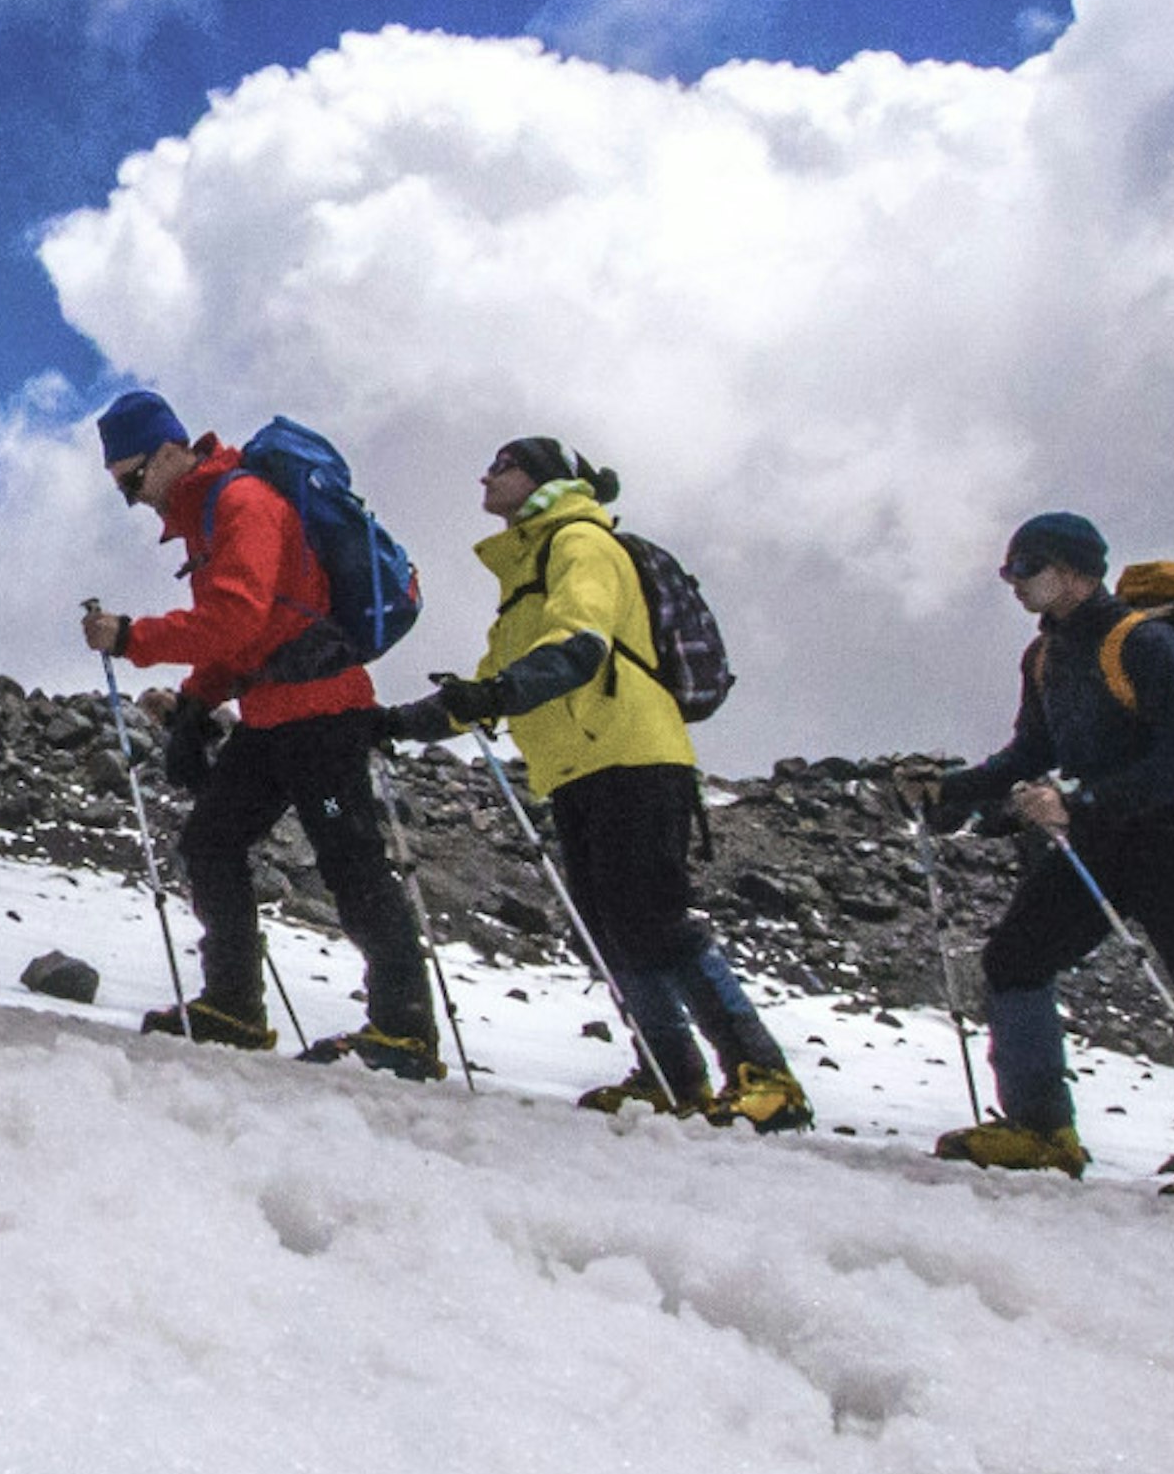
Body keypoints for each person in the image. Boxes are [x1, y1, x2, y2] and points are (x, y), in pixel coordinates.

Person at [381, 436, 806, 1130]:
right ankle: (674, 1076)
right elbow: (492, 682)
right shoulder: (525, 576)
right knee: (609, 927)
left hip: (632, 753)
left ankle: (765, 1073)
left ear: (543, 479)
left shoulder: (579, 543)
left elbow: (579, 647)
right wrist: (404, 721)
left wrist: (493, 696)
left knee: (652, 918)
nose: (486, 474)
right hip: (579, 766)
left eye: (506, 464)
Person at [911, 512, 1174, 1204]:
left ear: (1079, 571)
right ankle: (1041, 1129)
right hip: (1102, 840)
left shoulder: (1145, 644)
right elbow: (1031, 752)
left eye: (1029, 567)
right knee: (1016, 959)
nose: (1014, 582)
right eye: (1010, 569)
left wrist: (1078, 805)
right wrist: (953, 791)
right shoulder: (1047, 656)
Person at [77, 391, 435, 1070]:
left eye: (132, 479)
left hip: (323, 713)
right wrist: (192, 703)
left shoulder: (242, 504)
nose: (132, 498)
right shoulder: (207, 518)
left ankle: (404, 1031)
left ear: (172, 451)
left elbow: (236, 619)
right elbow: (240, 640)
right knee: (211, 842)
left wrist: (132, 638)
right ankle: (233, 1006)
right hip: (274, 715)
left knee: (351, 862)